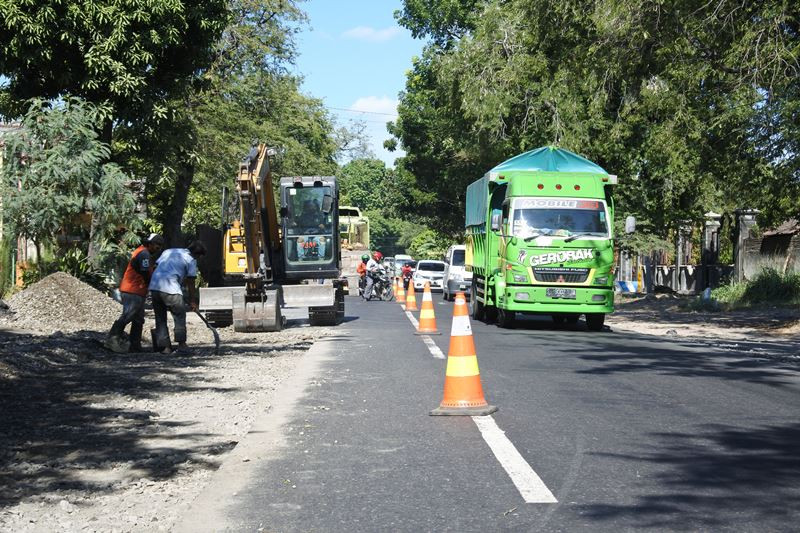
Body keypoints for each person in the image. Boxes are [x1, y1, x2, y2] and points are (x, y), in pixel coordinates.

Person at [105, 233, 164, 353]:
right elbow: (145, 272)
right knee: (128, 315)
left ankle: (135, 345)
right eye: (157, 246)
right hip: (133, 290)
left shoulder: (142, 252)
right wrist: (153, 284)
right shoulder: (144, 254)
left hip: (137, 290)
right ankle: (112, 339)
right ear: (151, 244)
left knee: (138, 319)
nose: (158, 249)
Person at [149, 240, 207, 354]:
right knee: (179, 315)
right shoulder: (191, 260)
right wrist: (193, 301)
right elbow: (191, 282)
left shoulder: (168, 251)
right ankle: (182, 344)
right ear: (197, 254)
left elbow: (156, 267)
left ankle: (165, 347)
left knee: (160, 318)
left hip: (155, 287)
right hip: (171, 289)